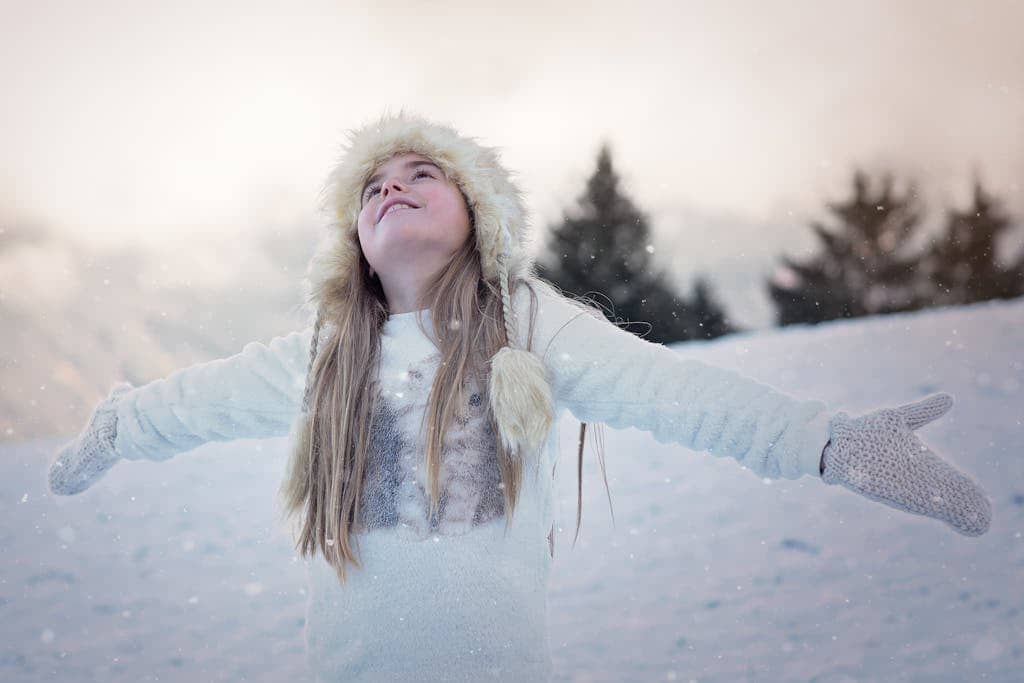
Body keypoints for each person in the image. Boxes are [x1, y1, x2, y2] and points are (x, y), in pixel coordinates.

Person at [47, 110, 993, 682]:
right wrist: (120, 422)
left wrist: (826, 441)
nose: (394, 188)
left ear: (479, 219)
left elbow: (671, 392)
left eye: (423, 174)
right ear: (353, 239)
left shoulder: (530, 327)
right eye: (373, 185)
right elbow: (199, 400)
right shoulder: (325, 359)